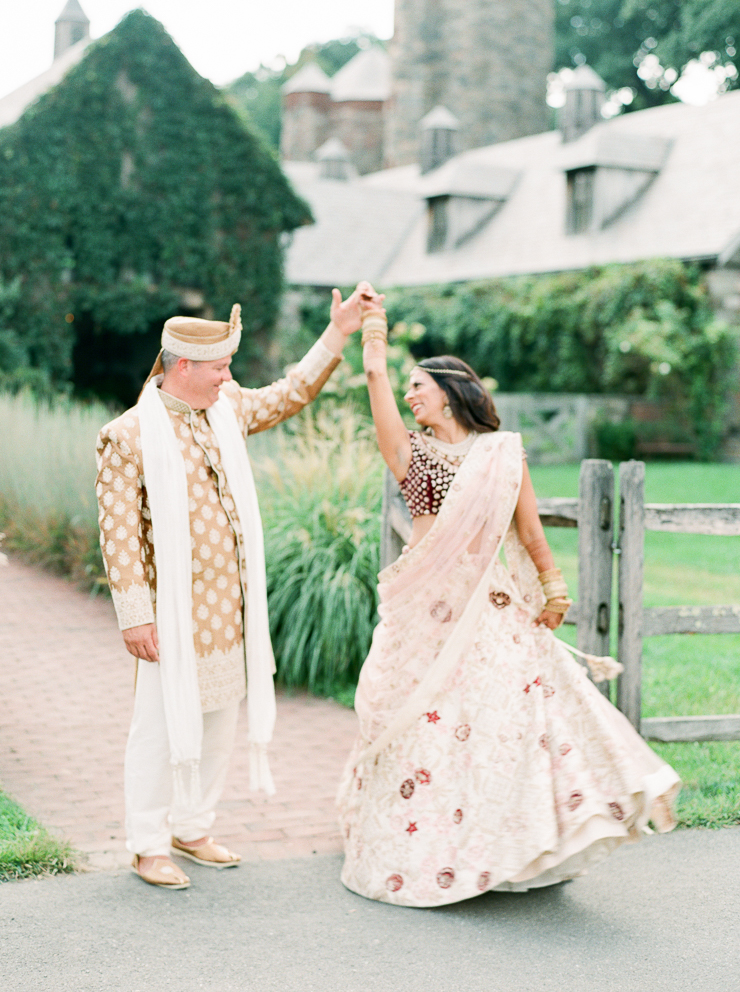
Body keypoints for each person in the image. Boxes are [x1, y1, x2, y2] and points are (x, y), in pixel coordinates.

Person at [337, 305, 680, 907]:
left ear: (450, 394)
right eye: (409, 387)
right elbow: (374, 382)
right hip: (427, 615)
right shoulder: (410, 455)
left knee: (504, 722)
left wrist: (553, 587)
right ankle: (434, 851)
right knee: (423, 728)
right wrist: (373, 336)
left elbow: (530, 532)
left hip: (489, 609)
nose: (411, 395)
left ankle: (514, 854)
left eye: (420, 386)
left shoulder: (501, 454)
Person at [97, 285, 371, 889]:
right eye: (220, 367)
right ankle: (147, 844)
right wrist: (135, 615)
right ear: (185, 366)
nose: (229, 377)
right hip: (170, 612)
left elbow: (289, 395)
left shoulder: (227, 408)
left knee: (220, 715)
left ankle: (192, 827)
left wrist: (338, 332)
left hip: (232, 604)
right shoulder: (129, 436)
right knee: (160, 724)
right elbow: (118, 534)